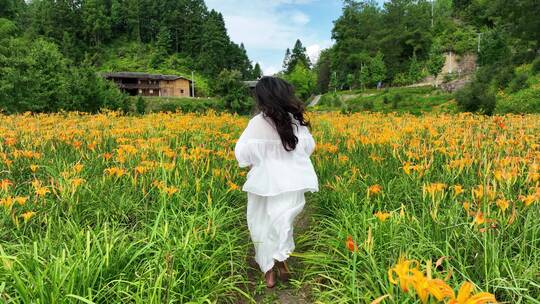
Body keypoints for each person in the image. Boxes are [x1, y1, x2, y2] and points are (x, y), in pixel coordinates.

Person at [234, 76, 319, 288]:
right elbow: (309, 148)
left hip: (264, 182)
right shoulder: (295, 121)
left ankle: (269, 270)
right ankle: (281, 262)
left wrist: (261, 159)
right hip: (292, 181)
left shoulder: (257, 123)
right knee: (283, 223)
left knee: (261, 224)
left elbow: (242, 154)